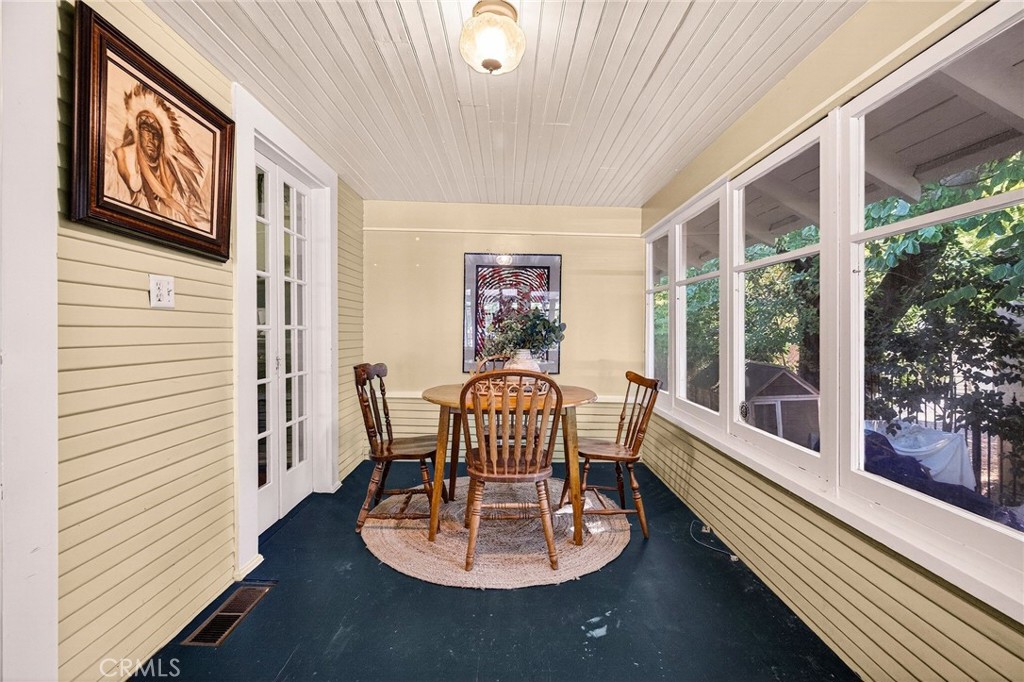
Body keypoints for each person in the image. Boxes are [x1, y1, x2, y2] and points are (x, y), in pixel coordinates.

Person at [111, 84, 210, 230]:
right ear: (137, 131)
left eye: (156, 133)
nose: (151, 138)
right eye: (145, 129)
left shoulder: (169, 173)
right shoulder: (123, 156)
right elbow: (130, 185)